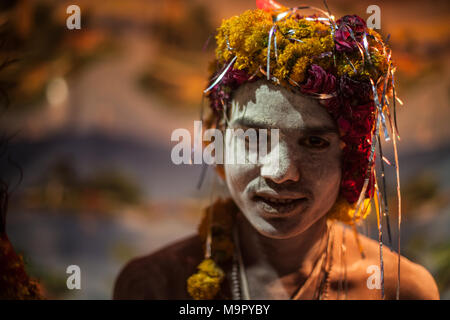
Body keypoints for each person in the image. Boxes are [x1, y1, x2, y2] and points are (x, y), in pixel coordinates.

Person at [113, 2, 439, 300]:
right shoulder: (155, 285)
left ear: (352, 161)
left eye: (314, 143)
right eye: (253, 138)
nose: (280, 172)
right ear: (219, 143)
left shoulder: (400, 290)